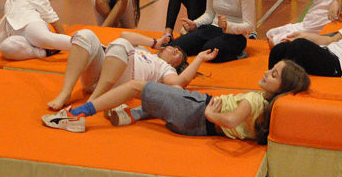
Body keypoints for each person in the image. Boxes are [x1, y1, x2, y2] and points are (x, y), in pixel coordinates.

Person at [41, 58, 310, 140]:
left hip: (196, 111)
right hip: (195, 122)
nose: (266, 73)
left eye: (273, 75)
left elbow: (231, 119)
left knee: (135, 87)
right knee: (160, 94)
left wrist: (212, 114)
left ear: (281, 88)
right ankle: (132, 114)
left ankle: (77, 115)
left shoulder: (255, 101)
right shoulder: (267, 108)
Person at [45, 29, 195, 111]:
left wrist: (199, 58)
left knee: (122, 44)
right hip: (99, 73)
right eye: (175, 48)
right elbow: (125, 34)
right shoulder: (144, 50)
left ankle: (93, 100)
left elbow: (178, 82)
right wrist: (154, 42)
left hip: (119, 85)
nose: (175, 50)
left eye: (178, 55)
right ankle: (65, 92)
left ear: (175, 66)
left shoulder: (166, 68)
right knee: (85, 35)